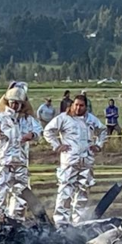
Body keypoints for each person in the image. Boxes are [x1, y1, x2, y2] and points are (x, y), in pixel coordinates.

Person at [0, 83, 42, 219]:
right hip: (2, 162)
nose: (14, 106)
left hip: (20, 162)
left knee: (21, 194)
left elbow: (39, 131)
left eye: (17, 103)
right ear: (8, 102)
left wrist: (31, 135)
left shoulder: (27, 120)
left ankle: (16, 222)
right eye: (12, 102)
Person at [44, 94, 103, 226]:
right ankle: (61, 222)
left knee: (83, 191)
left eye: (81, 105)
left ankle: (79, 222)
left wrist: (98, 145)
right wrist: (57, 145)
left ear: (85, 107)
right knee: (65, 191)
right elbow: (48, 131)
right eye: (76, 105)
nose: (78, 108)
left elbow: (102, 130)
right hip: (69, 161)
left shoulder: (91, 119)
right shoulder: (63, 118)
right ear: (71, 105)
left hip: (86, 161)